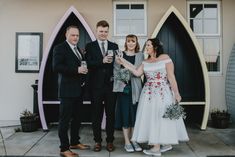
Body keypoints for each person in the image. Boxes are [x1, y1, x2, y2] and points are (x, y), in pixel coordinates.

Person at [117, 38, 189, 156]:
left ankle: (160, 146)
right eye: (146, 46)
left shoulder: (165, 58)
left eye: (149, 45)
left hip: (163, 92)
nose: (147, 48)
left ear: (155, 47)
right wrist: (123, 62)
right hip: (148, 94)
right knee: (152, 117)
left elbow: (171, 77)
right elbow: (137, 72)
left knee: (163, 116)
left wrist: (176, 93)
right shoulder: (145, 61)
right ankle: (158, 145)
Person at [53, 25, 89, 157]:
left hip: (78, 90)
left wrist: (83, 73)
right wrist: (77, 70)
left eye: (77, 35)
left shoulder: (78, 49)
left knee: (77, 118)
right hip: (67, 91)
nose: (75, 38)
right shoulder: (60, 48)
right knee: (64, 120)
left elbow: (78, 65)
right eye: (73, 35)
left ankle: (74, 142)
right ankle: (64, 148)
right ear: (66, 35)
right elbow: (56, 67)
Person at [85, 20, 118, 152]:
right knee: (96, 115)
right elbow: (87, 63)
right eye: (101, 31)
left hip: (111, 86)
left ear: (108, 32)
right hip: (95, 87)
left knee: (111, 115)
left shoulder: (114, 46)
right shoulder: (90, 46)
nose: (103, 34)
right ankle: (97, 141)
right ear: (96, 31)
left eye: (105, 31)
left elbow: (118, 64)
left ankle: (110, 141)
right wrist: (102, 61)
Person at [113, 34, 144, 152]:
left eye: (133, 41)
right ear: (126, 43)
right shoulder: (120, 54)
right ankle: (127, 141)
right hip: (124, 89)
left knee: (135, 115)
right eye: (129, 41)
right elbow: (116, 72)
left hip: (136, 89)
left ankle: (134, 140)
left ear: (136, 43)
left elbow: (138, 72)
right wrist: (119, 63)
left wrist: (124, 63)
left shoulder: (140, 55)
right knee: (125, 114)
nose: (131, 43)